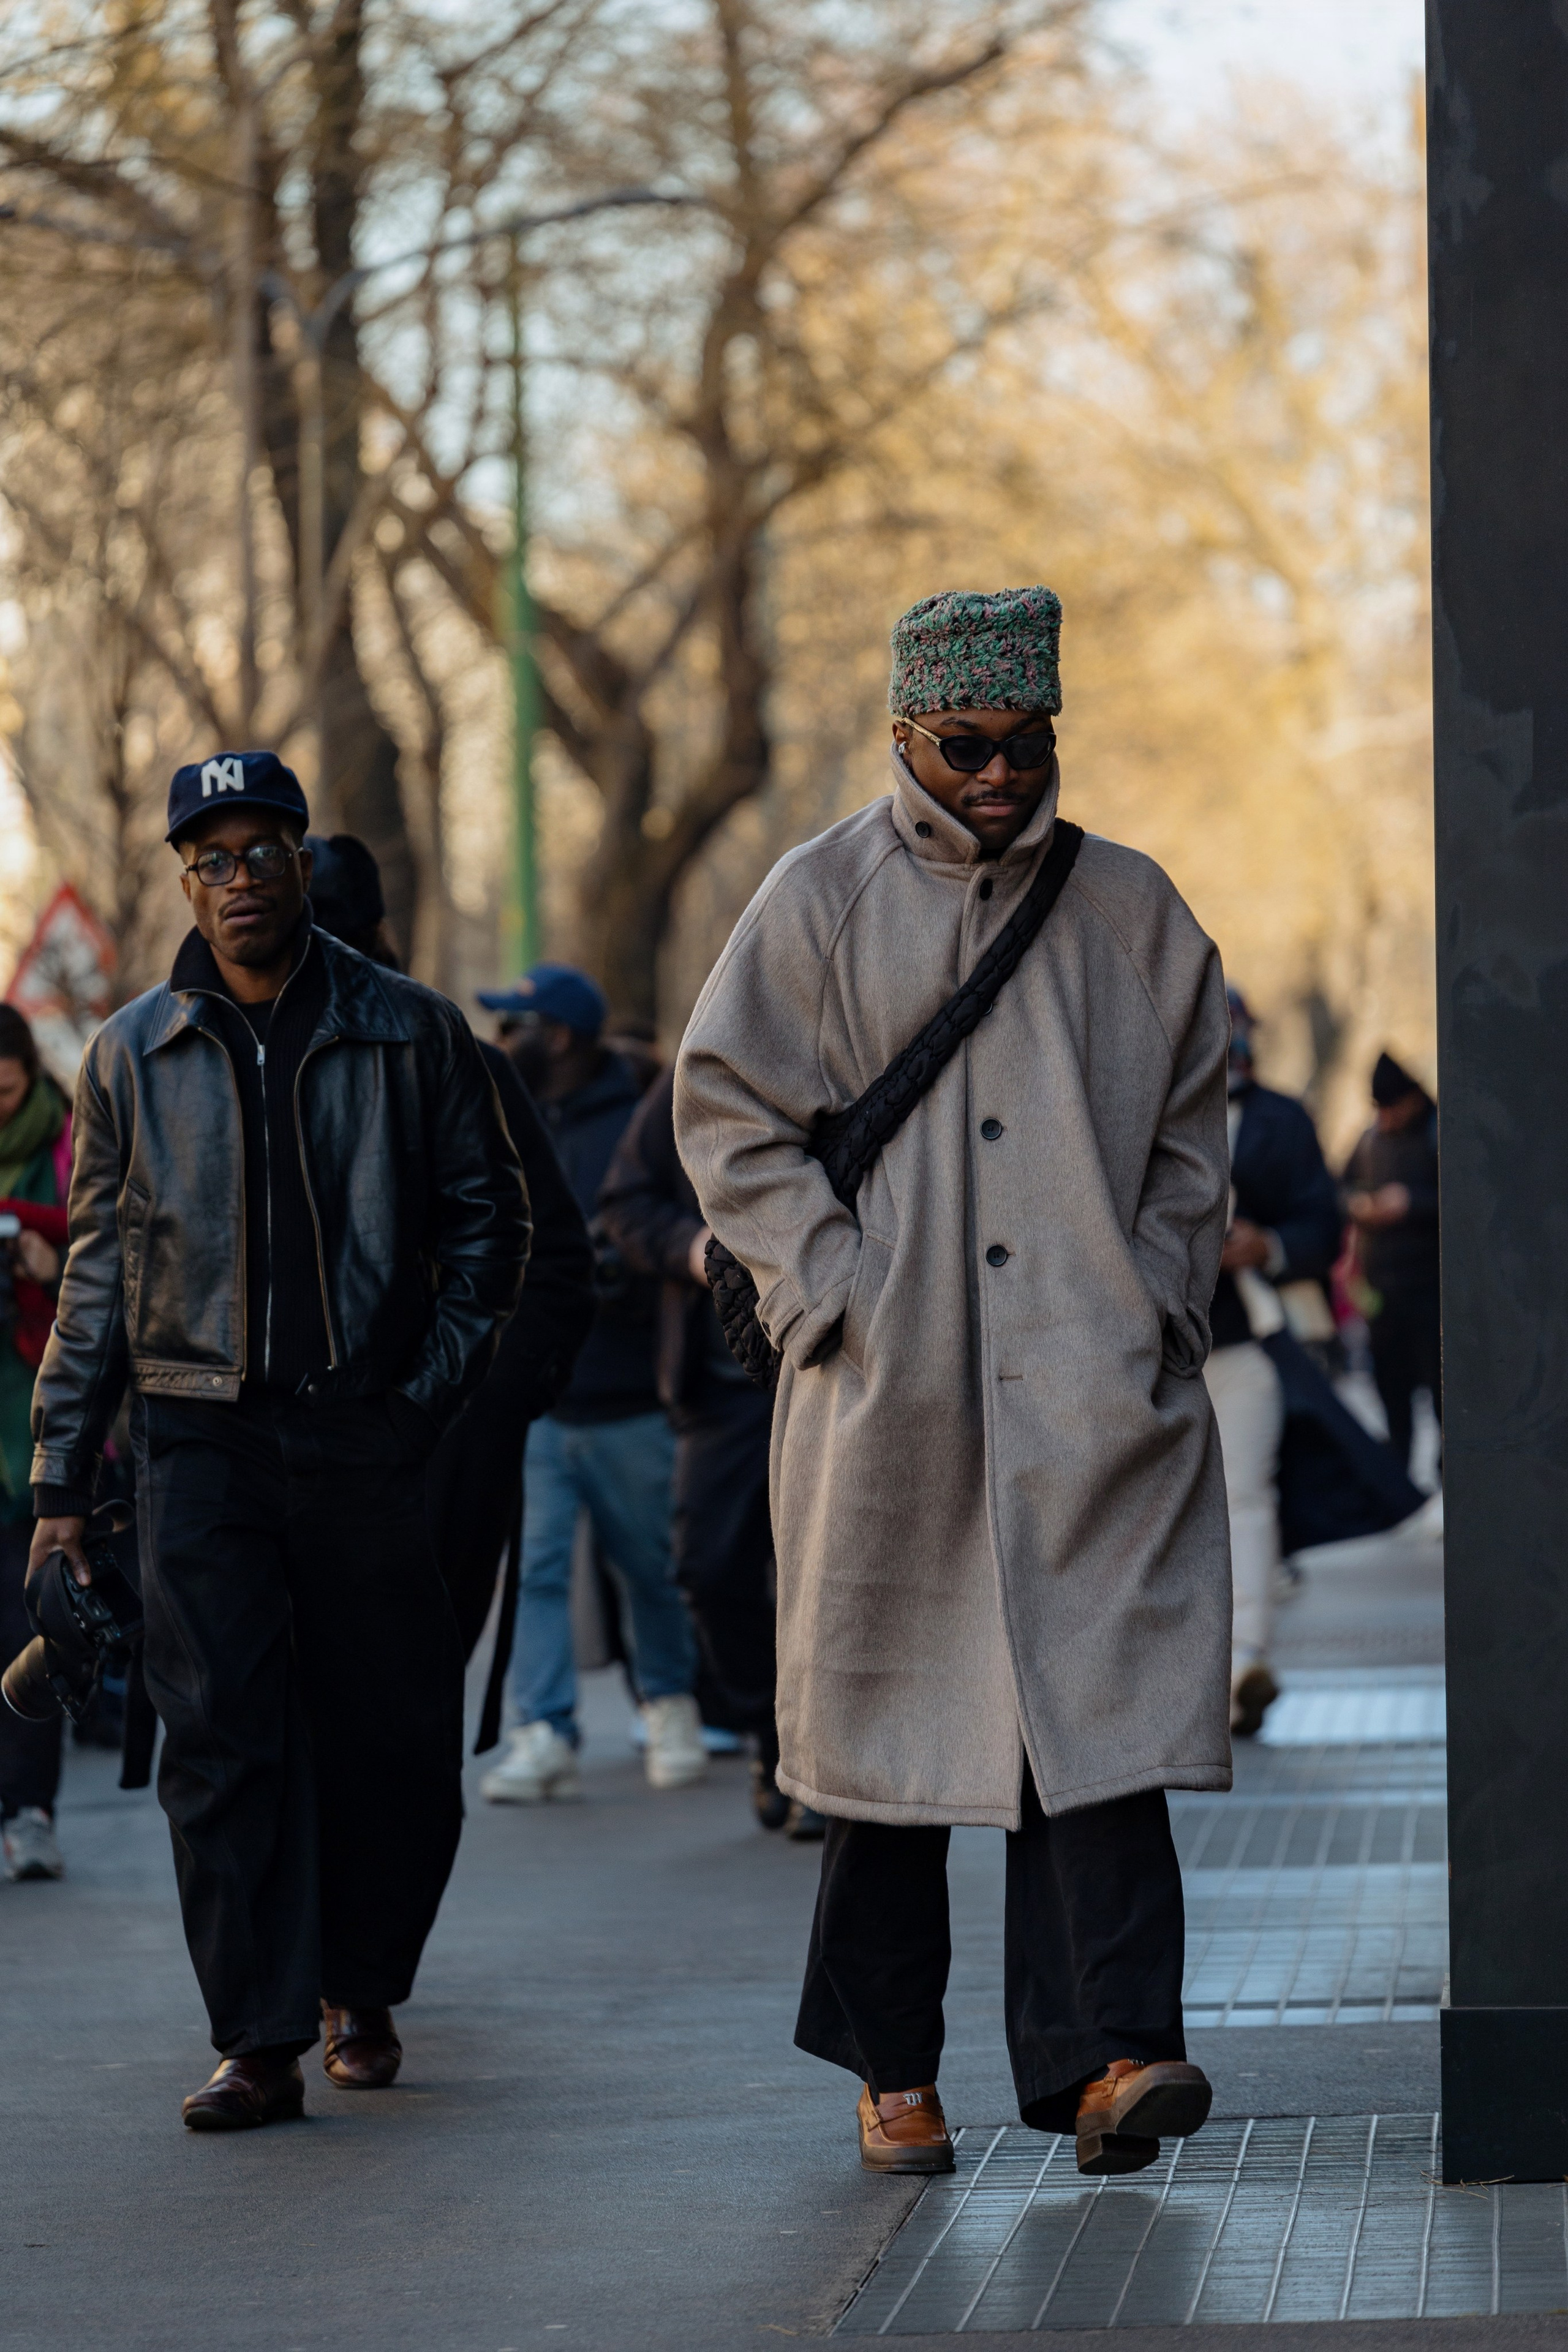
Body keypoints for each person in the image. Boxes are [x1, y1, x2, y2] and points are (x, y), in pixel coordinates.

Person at [675, 586, 1229, 2180]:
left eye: (1029, 745)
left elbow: (1198, 1123)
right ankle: (892, 2071)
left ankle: (1115, 2060)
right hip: (889, 1396)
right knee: (887, 1744)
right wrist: (828, 1289)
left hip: (1089, 1391)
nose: (1001, 774)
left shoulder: (1131, 910)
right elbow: (724, 1117)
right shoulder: (818, 900)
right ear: (906, 737)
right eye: (968, 745)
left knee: (1099, 1733)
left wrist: (1160, 1298)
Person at [29, 751, 530, 2131]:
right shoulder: (132, 1052)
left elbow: (493, 1232)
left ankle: (362, 1986)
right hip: (200, 1445)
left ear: (305, 862)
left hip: (365, 1433)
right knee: (218, 1738)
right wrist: (61, 1485)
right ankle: (256, 2036)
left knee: (393, 1732)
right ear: (182, 880)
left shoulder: (409, 1030)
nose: (238, 878)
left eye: (263, 851)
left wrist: (419, 1398)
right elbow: (96, 1279)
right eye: (212, 857)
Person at [303, 835, 596, 1695]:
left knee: (404, 1713)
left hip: (431, 1445)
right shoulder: (229, 1072)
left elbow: (554, 1258)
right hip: (284, 1456)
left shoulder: (455, 1061)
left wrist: (476, 1404)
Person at [474, 964, 705, 1803]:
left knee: (648, 1563)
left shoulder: (645, 1118)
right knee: (533, 1569)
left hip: (627, 1392)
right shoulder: (507, 1113)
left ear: (560, 1037)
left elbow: (663, 1225)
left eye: (517, 1026)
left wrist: (622, 1275)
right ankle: (543, 1730)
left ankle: (672, 1704)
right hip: (536, 1395)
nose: (504, 1042)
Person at [598, 1068, 826, 1841]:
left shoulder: (861, 1059)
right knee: (708, 1567)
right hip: (721, 1384)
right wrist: (691, 1249)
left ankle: (819, 1765)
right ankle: (770, 1729)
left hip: (840, 1375)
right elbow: (624, 1205)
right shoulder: (691, 1078)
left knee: (827, 1578)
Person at [1205, 987, 1343, 1736]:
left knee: (1244, 1497)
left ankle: (1245, 1660)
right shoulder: (1134, 1105)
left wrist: (1269, 1247)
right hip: (1151, 1344)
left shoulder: (1281, 1120)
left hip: (1248, 1342)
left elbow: (1322, 1221)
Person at [0, 1005, 71, 1880]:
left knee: (29, 1629)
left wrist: (36, 1257)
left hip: (40, 1432)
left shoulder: (68, 1152)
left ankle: (33, 1811)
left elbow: (111, 1273)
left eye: (5, 1088)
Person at [1344, 1052, 1442, 1479]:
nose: (1385, 1118)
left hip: (1432, 1292)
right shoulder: (1369, 1141)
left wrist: (1411, 1204)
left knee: (1442, 1392)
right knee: (1391, 1390)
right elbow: (1337, 1187)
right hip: (1383, 1293)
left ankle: (1448, 1473)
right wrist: (1360, 1206)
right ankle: (1400, 1477)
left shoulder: (1440, 1133)